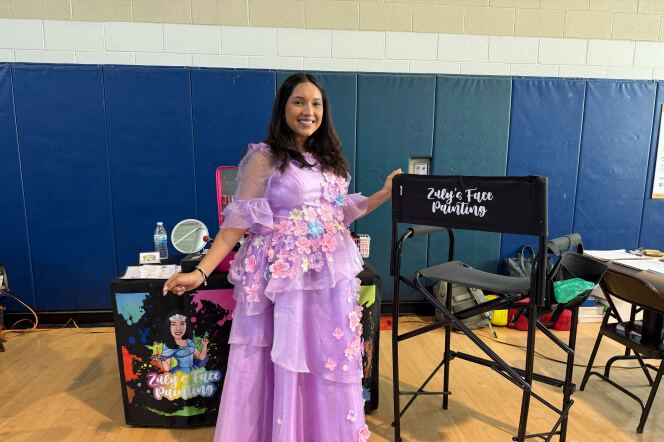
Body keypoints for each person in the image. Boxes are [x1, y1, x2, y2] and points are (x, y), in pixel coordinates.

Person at [164, 72, 400, 441]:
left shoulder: (329, 159)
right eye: (299, 102)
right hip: (282, 280)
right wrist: (201, 272)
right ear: (284, 107)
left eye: (316, 103)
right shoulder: (266, 157)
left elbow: (339, 211)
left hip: (326, 279)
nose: (309, 110)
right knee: (281, 361)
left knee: (323, 357)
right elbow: (236, 225)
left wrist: (383, 194)